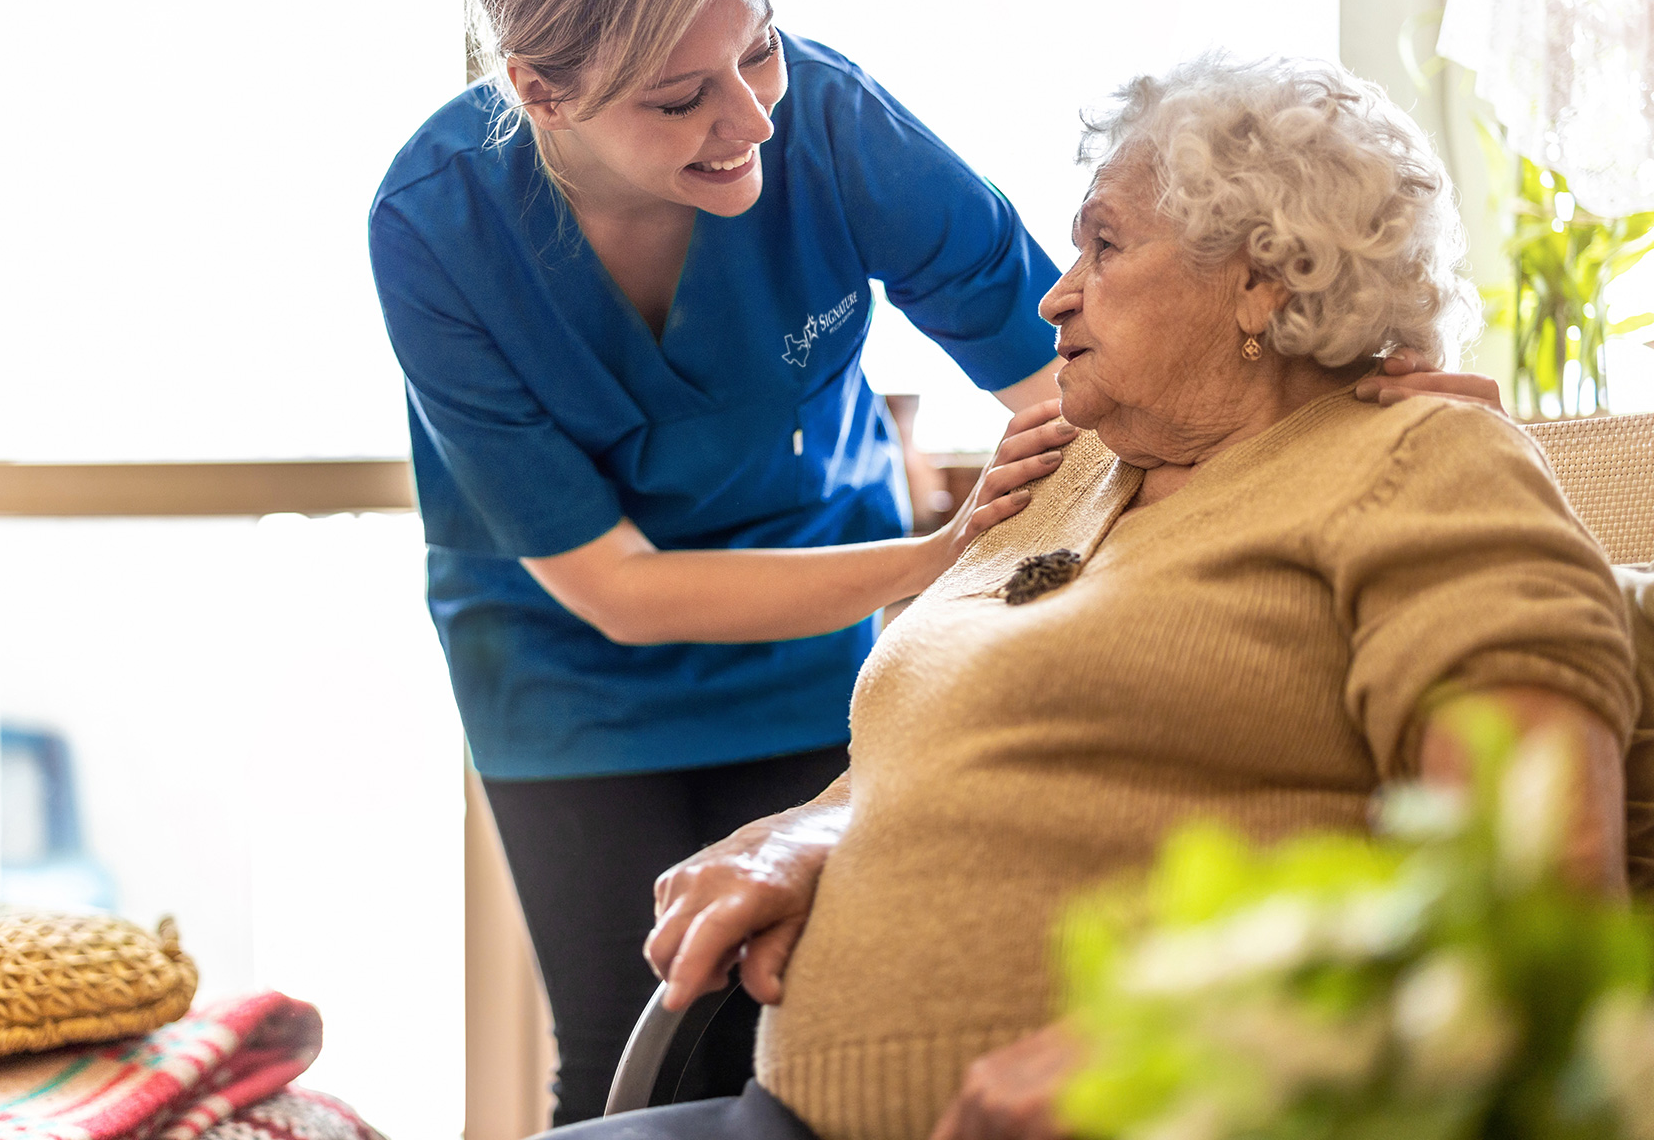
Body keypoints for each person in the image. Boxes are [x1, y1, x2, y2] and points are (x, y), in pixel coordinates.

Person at [369, 0, 1497, 1121]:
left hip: (820, 607)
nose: (750, 119)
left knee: (779, 1011)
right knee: (618, 1030)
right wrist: (938, 560)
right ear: (540, 93)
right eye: (682, 98)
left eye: (762, 49)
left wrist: (1345, 413)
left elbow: (1085, 376)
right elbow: (614, 588)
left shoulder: (837, 128)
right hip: (565, 653)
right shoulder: (437, 222)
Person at [547, 55, 1640, 1140]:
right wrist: (811, 828)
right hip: (780, 1109)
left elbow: (1531, 896)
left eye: (1103, 244)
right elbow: (958, 738)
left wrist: (1193, 1050)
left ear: (1266, 274)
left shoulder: (1422, 459)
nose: (1054, 293)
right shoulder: (1065, 471)